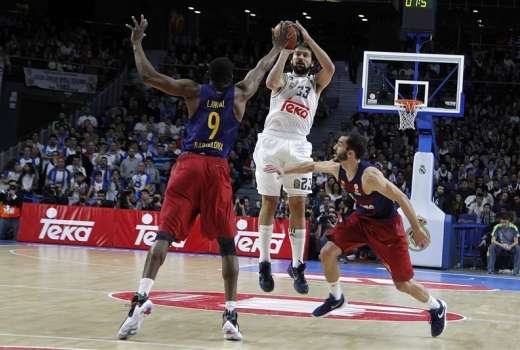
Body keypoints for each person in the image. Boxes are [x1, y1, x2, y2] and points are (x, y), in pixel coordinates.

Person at [118, 14, 291, 341]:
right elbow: (260, 70)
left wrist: (138, 43)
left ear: (208, 76)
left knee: (164, 237)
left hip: (188, 166)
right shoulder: (240, 95)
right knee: (228, 247)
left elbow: (148, 75)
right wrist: (277, 47)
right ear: (231, 77)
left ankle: (139, 299)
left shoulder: (193, 92)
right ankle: (230, 315)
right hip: (216, 168)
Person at [264, 133, 448, 337]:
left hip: (387, 228)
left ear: (350, 153)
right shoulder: (338, 168)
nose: (335, 146)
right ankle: (336, 297)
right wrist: (284, 170)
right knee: (327, 252)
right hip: (361, 221)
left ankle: (436, 306)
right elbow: (311, 166)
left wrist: (417, 228)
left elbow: (401, 197)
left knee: (402, 284)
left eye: (340, 144)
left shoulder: (370, 176)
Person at [254, 20, 335, 294]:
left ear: (310, 61)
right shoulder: (284, 77)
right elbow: (269, 82)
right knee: (269, 201)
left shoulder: (315, 84)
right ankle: (264, 263)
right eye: (298, 54)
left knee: (298, 205)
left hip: (299, 146)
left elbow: (331, 69)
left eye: (304, 55)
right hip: (272, 142)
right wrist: (285, 51)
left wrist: (309, 39)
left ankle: (297, 265)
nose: (300, 56)